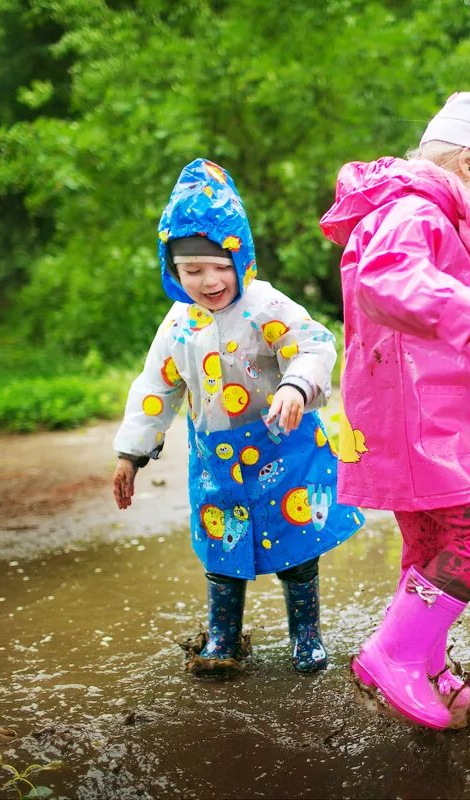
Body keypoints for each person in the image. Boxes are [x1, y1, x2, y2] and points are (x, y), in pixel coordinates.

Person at [319, 92, 470, 729]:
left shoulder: (413, 211)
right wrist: (466, 307)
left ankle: (426, 663)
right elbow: (386, 281)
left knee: (434, 543)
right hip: (420, 420)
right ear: (469, 163)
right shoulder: (417, 210)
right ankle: (395, 652)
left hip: (413, 413)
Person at [114, 158, 364, 676]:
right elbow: (156, 388)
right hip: (218, 464)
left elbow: (313, 343)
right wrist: (131, 453)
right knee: (222, 555)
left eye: (219, 265)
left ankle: (307, 635)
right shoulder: (178, 324)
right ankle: (223, 639)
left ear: (241, 256)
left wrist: (297, 384)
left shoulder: (264, 305)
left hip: (282, 448)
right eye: (192, 270)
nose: (208, 280)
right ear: (173, 271)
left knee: (296, 552)